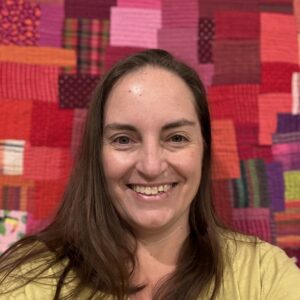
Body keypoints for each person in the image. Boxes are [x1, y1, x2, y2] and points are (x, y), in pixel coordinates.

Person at [0, 49, 299, 300]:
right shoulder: (29, 280)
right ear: (97, 155)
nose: (151, 166)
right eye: (123, 140)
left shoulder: (264, 275)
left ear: (204, 150)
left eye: (177, 138)